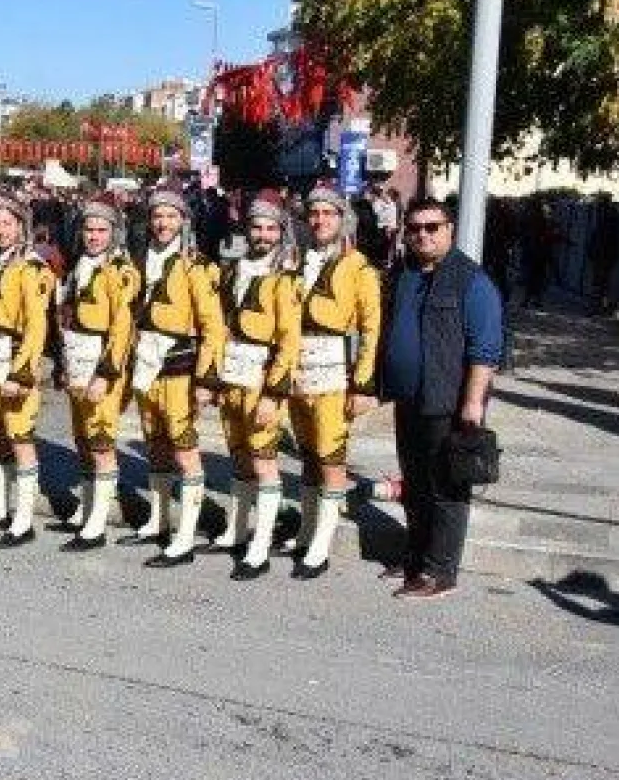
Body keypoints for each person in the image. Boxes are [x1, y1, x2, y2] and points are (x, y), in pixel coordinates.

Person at [378, 197, 504, 600]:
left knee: (446, 488)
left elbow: (485, 348)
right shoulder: (404, 273)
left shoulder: (472, 280)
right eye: (415, 228)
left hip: (448, 402)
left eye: (432, 227)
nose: (422, 235)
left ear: (449, 229)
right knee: (414, 484)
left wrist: (473, 403)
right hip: (409, 399)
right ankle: (416, 558)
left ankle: (440, 572)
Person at [286, 185, 382, 579]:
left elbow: (371, 327)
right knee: (307, 454)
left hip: (333, 371)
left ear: (342, 218)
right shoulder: (296, 260)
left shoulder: (359, 266)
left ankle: (323, 540)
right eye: (315, 213)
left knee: (330, 456)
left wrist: (363, 384)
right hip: (297, 371)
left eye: (328, 213)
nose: (320, 220)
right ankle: (307, 530)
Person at [127, 190, 226, 568]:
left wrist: (205, 379)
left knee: (185, 451)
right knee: (156, 445)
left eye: (170, 216)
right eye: (157, 216)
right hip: (146, 362)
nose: (162, 223)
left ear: (182, 221)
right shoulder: (137, 260)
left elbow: (212, 326)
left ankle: (185, 536)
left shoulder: (195, 265)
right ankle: (158, 520)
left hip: (180, 366)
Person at [205, 197, 302, 579]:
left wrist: (274, 394)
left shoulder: (284, 278)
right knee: (240, 456)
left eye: (270, 229)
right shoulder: (232, 271)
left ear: (281, 232)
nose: (262, 235)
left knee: (264, 463)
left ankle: (260, 545)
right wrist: (212, 379)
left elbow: (289, 340)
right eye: (257, 227)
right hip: (232, 376)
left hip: (262, 380)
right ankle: (236, 528)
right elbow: (219, 327)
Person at [0, 194, 56, 548]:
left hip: (14, 354)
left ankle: (23, 518)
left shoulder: (32, 266)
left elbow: (37, 325)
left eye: (8, 223)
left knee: (20, 438)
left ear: (21, 225)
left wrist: (22, 372)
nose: (1, 230)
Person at [55, 197, 139, 548]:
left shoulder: (121, 270)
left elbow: (123, 327)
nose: (94, 236)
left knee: (102, 441)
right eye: (89, 229)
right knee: (83, 439)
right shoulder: (79, 265)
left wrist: (106, 372)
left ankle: (98, 521)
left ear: (114, 233)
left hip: (101, 363)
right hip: (76, 358)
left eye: (102, 230)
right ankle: (88, 506)